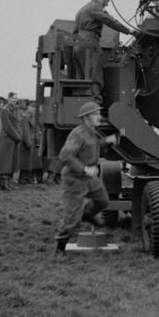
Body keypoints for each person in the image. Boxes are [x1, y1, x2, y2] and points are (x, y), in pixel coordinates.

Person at [54, 101, 118, 254]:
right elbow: (65, 155)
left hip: (89, 179)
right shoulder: (78, 133)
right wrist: (84, 169)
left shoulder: (91, 131)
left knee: (103, 200)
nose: (99, 117)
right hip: (74, 179)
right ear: (86, 117)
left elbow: (91, 147)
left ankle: (87, 214)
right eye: (95, 114)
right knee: (72, 219)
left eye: (98, 113)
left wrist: (106, 142)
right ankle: (60, 247)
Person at [72, 0, 137, 102]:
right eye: (108, 0)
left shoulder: (82, 9)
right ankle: (95, 102)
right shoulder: (95, 6)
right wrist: (129, 31)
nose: (107, 3)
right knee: (95, 73)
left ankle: (82, 101)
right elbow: (109, 20)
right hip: (89, 42)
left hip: (78, 44)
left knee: (83, 76)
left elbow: (75, 30)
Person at [0, 93, 22, 190]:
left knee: (11, 163)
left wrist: (18, 135)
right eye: (12, 98)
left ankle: (9, 182)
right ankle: (4, 183)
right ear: (8, 99)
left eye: (16, 98)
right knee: (5, 163)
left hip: (13, 140)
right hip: (7, 139)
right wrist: (17, 137)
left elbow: (17, 124)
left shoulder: (15, 110)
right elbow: (8, 126)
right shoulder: (5, 111)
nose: (14, 100)